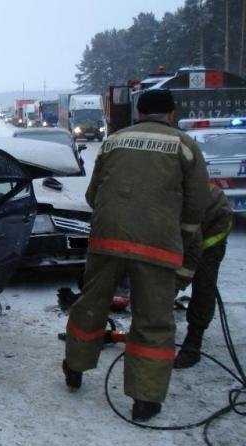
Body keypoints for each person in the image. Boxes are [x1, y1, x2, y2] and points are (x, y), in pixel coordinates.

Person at [62, 88, 211, 422]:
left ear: (139, 113)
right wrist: (183, 236)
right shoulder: (184, 146)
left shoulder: (114, 141)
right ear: (171, 114)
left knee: (91, 304)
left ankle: (74, 367)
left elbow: (92, 193)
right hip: (157, 245)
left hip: (107, 239)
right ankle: (145, 400)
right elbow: (197, 202)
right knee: (152, 319)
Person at [174, 183, 233, 368]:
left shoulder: (174, 206)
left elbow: (192, 252)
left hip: (214, 223)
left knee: (203, 282)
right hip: (189, 223)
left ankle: (193, 343)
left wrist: (176, 284)